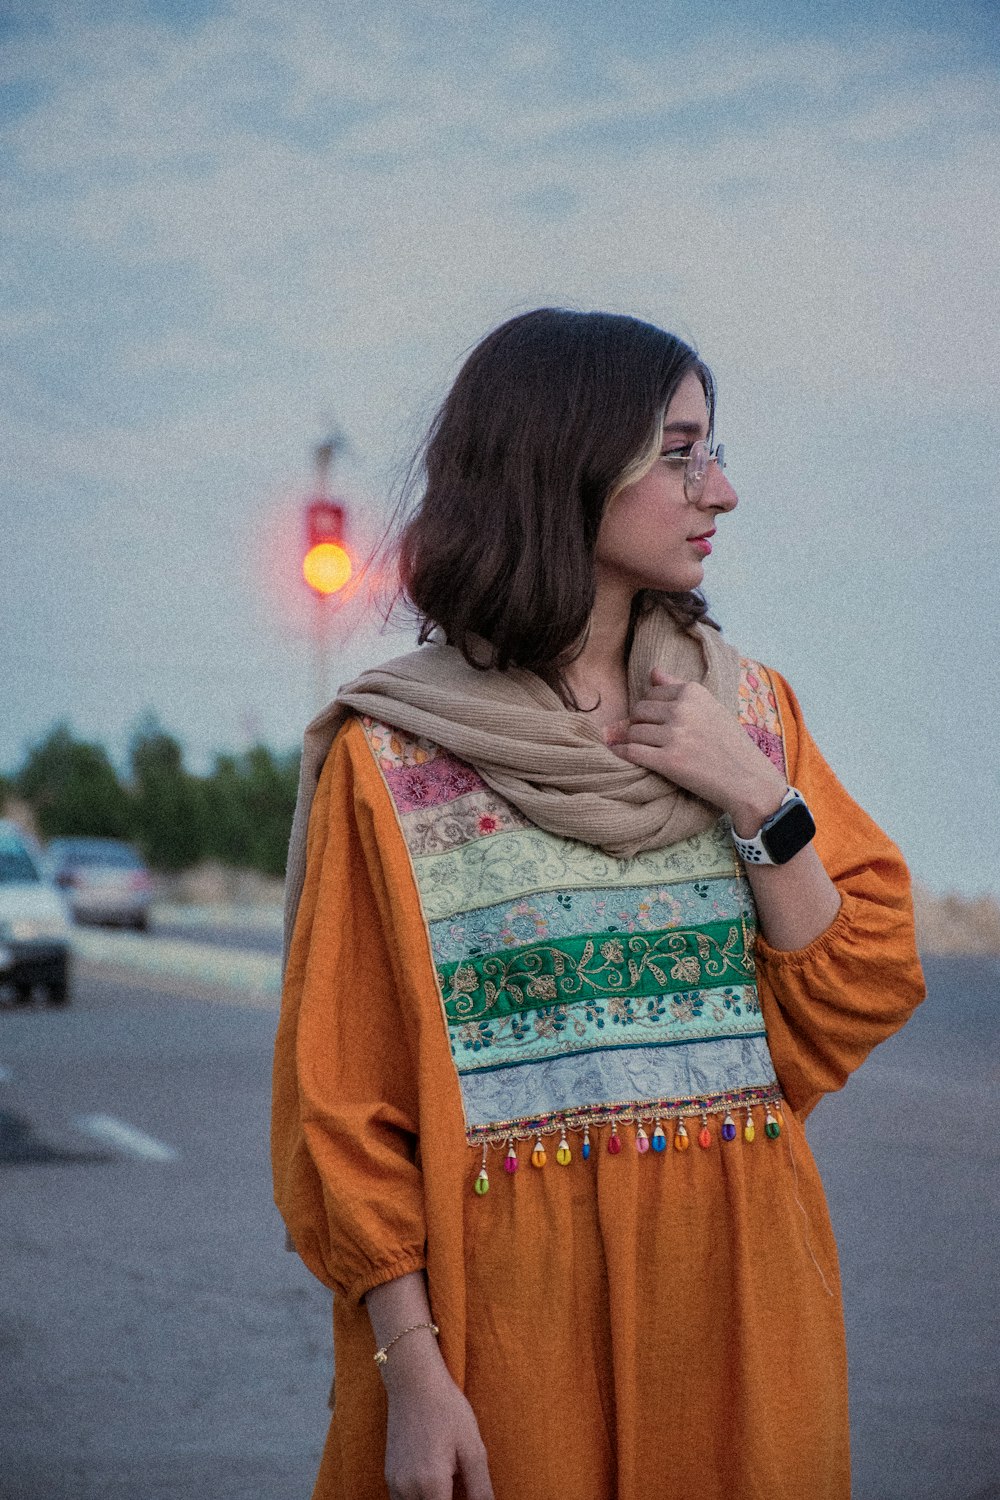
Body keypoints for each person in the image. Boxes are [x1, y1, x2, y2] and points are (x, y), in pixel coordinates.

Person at [272, 308, 926, 1500]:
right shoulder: (393, 761)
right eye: (679, 452)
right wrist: (413, 1375)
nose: (718, 490)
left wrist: (753, 794)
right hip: (507, 1336)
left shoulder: (752, 716)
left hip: (737, 1315)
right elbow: (344, 1111)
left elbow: (856, 991)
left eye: (712, 451)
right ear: (565, 462)